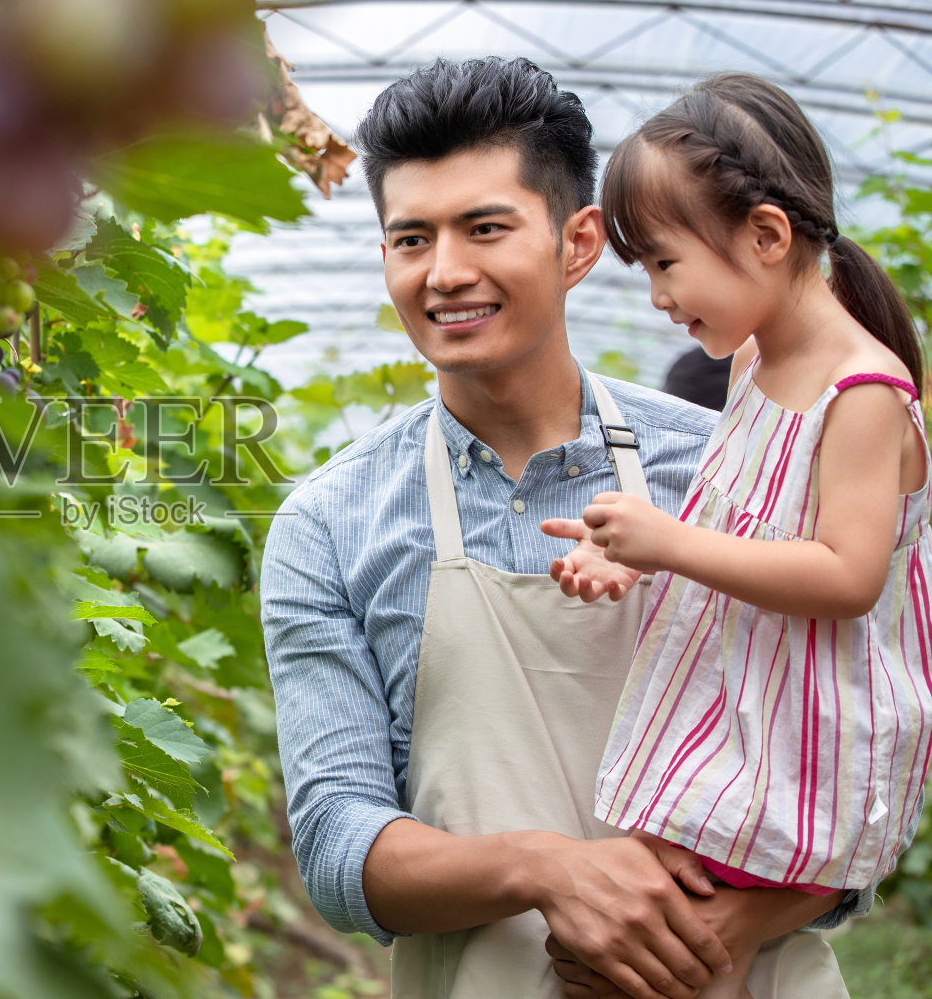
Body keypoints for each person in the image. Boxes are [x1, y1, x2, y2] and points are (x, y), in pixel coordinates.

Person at [260, 57, 861, 999]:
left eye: (486, 227)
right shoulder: (328, 524)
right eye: (410, 238)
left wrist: (709, 933)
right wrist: (547, 868)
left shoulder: (730, 463)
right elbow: (339, 846)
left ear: (578, 243)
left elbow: (851, 749)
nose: (445, 271)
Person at [540, 72, 932, 999]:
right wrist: (623, 551)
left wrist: (666, 543)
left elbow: (846, 574)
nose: (657, 298)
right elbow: (739, 520)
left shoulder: (864, 394)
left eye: (665, 264)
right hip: (740, 716)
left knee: (641, 948)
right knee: (631, 937)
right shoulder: (757, 362)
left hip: (801, 737)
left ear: (765, 235)